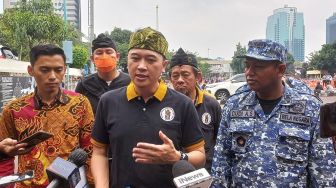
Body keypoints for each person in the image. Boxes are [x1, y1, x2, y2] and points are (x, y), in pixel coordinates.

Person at [91, 27, 206, 188]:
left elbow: (200, 156)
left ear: (164, 65)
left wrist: (177, 156)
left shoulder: (182, 104)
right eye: (135, 58)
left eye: (151, 60)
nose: (141, 66)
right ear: (127, 60)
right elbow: (99, 152)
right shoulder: (108, 101)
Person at [211, 39, 336, 187]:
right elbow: (221, 163)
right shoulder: (234, 105)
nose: (249, 72)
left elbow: (323, 172)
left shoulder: (310, 108)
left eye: (258, 66)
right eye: (247, 65)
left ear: (280, 70)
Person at [0, 44, 94, 187]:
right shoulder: (13, 109)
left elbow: (90, 150)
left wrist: (93, 183)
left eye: (58, 70)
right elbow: (4, 154)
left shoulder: (80, 103)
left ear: (64, 70)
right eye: (44, 70)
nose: (52, 76)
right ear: (31, 70)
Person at [169, 48, 221, 172]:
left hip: (206, 174)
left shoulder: (211, 105)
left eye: (185, 75)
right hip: (174, 175)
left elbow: (221, 142)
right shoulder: (165, 106)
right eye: (175, 75)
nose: (180, 80)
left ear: (198, 77)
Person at [75, 34, 131, 114]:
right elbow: (78, 114)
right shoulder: (84, 85)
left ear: (117, 56)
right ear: (92, 59)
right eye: (99, 52)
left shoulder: (130, 83)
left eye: (109, 52)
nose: (104, 56)